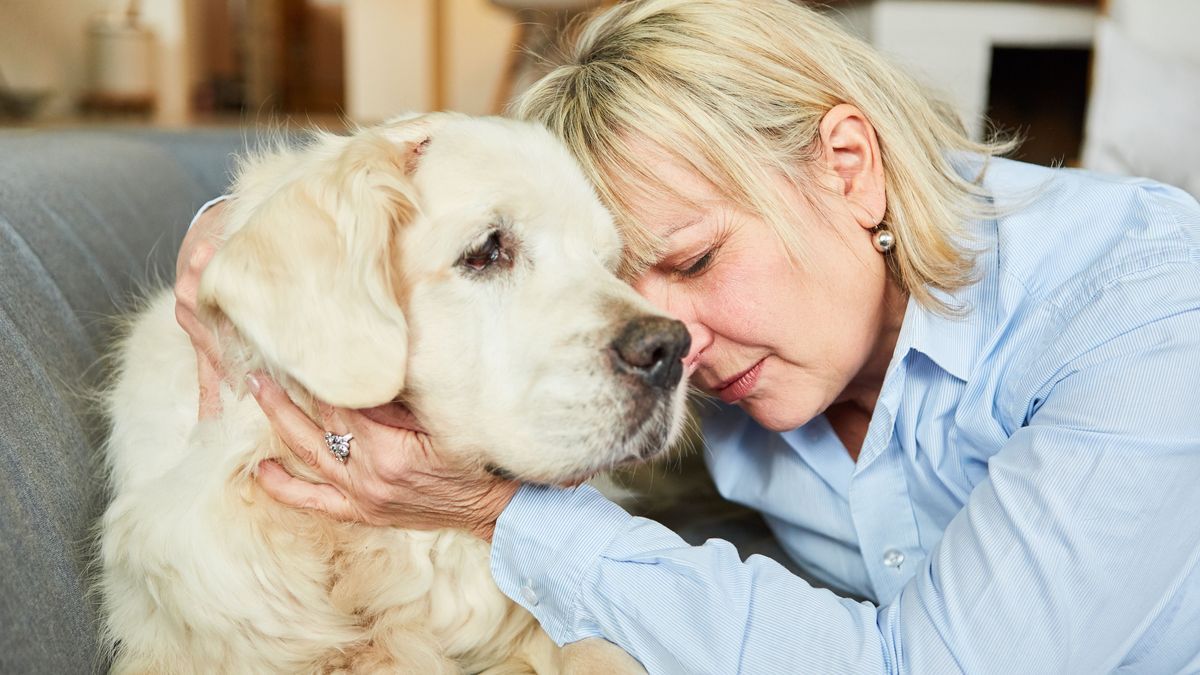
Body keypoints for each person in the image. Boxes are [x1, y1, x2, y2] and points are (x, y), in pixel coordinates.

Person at [177, 0, 1200, 671]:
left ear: (847, 166)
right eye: (632, 284)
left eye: (699, 260)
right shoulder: (766, 353)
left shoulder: (1149, 315)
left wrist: (504, 517)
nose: (681, 343)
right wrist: (260, 238)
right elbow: (456, 235)